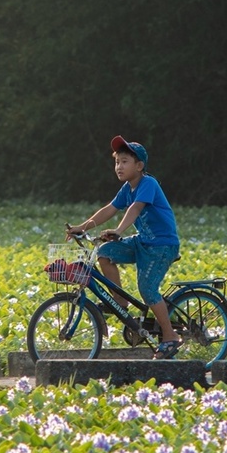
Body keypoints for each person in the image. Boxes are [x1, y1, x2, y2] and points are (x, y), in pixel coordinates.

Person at [67, 136, 183, 359]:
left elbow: (136, 209)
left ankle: (170, 337)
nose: (119, 166)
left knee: (148, 290)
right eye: (117, 162)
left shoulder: (148, 183)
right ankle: (119, 302)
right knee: (105, 253)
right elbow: (110, 209)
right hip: (143, 242)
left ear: (139, 166)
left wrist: (119, 231)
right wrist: (82, 227)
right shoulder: (126, 189)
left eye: (125, 161)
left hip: (162, 245)